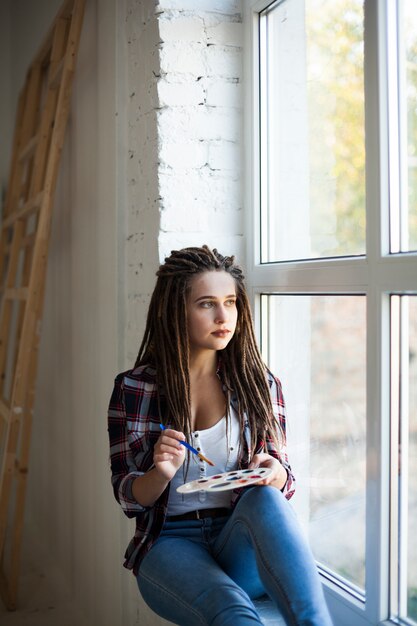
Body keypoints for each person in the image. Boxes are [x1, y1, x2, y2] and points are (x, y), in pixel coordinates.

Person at [108, 245, 333, 626]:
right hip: (169, 541)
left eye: (230, 302)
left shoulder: (259, 384)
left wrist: (274, 472)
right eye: (206, 304)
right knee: (233, 614)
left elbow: (284, 482)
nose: (223, 316)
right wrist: (159, 473)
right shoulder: (135, 388)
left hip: (238, 534)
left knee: (267, 500)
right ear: (175, 310)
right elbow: (128, 497)